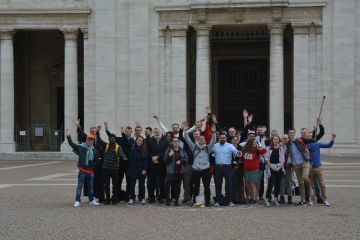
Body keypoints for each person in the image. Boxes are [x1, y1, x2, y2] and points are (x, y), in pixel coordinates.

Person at [153, 114, 194, 204]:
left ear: (178, 128)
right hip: (171, 164)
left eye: (176, 127)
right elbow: (163, 128)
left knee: (182, 183)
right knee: (169, 183)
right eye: (173, 127)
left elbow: (191, 130)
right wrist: (158, 120)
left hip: (181, 162)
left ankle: (182, 198)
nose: (175, 129)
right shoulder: (170, 136)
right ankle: (169, 198)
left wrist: (195, 125)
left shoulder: (183, 134)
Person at [183, 122, 216, 207]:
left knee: (207, 187)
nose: (201, 140)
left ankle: (208, 202)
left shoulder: (208, 148)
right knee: (195, 187)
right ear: (198, 139)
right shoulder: (194, 147)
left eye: (203, 139)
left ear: (205, 140)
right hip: (196, 169)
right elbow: (187, 139)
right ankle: (195, 201)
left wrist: (213, 133)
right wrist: (185, 130)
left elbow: (213, 141)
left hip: (205, 169)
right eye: (200, 138)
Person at [73, 118, 105, 203]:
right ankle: (92, 197)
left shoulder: (98, 140)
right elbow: (81, 133)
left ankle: (98, 196)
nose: (93, 132)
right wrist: (78, 125)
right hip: (89, 165)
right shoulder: (87, 139)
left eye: (94, 131)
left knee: (98, 181)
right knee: (90, 182)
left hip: (98, 164)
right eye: (91, 131)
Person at [66, 128, 99, 207]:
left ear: (93, 141)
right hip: (83, 171)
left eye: (91, 140)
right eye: (89, 139)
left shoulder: (94, 150)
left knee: (90, 187)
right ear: (86, 139)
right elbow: (71, 144)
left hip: (90, 171)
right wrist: (68, 136)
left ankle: (91, 200)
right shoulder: (81, 147)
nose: (90, 141)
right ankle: (77, 201)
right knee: (80, 186)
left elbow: (97, 160)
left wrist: (93, 165)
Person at [96, 126, 127, 205]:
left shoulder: (118, 147)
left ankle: (114, 199)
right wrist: (97, 132)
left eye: (112, 139)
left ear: (115, 140)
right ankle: (107, 199)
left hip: (114, 169)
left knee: (115, 185)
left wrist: (123, 157)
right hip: (106, 168)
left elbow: (121, 153)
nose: (111, 140)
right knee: (106, 185)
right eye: (110, 139)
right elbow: (99, 140)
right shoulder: (106, 145)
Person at [287, 128, 315, 206]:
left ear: (295, 133)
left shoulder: (300, 139)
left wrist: (315, 131)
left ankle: (310, 187)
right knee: (300, 183)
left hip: (304, 162)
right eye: (290, 133)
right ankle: (303, 200)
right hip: (296, 165)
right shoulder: (289, 142)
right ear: (289, 134)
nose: (291, 134)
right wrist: (290, 163)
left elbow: (313, 140)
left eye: (293, 133)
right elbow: (288, 153)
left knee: (305, 177)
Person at [212, 132, 241, 207]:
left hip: (228, 167)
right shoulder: (215, 146)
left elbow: (236, 153)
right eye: (221, 138)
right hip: (217, 167)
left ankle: (230, 201)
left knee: (229, 185)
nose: (222, 139)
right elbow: (210, 154)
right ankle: (218, 201)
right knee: (218, 185)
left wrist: (239, 153)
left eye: (223, 138)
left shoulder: (230, 146)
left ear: (226, 139)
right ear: (219, 139)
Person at [307, 133, 336, 206]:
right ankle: (313, 200)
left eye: (311, 136)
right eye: (309, 136)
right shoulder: (306, 145)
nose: (310, 137)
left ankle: (325, 199)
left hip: (318, 167)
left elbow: (329, 145)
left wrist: (333, 138)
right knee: (312, 185)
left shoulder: (317, 144)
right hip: (310, 168)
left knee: (322, 184)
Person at [240, 131, 267, 205]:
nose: (255, 144)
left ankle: (254, 199)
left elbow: (264, 151)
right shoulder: (245, 149)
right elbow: (242, 158)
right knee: (247, 184)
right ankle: (252, 197)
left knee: (253, 184)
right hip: (246, 169)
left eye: (255, 143)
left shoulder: (256, 150)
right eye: (253, 143)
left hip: (254, 169)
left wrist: (260, 147)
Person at [163, 137, 189, 206]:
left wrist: (181, 161)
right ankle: (168, 200)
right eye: (174, 141)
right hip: (170, 171)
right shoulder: (169, 150)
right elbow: (165, 160)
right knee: (167, 187)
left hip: (179, 172)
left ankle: (176, 201)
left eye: (177, 141)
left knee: (177, 187)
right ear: (172, 142)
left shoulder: (182, 150)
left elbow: (187, 159)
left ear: (179, 142)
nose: (175, 142)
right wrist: (169, 155)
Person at [126, 135, 149, 205]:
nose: (140, 142)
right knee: (132, 185)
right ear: (136, 141)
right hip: (133, 169)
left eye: (141, 141)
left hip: (141, 170)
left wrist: (144, 169)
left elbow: (146, 160)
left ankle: (142, 198)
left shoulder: (144, 149)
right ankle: (131, 198)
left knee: (142, 185)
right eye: (138, 140)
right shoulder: (132, 147)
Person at [264, 135, 285, 206]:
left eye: (277, 139)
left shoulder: (281, 149)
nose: (275, 140)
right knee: (271, 183)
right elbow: (266, 159)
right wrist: (271, 167)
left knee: (278, 184)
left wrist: (279, 167)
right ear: (272, 140)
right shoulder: (268, 148)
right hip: (271, 168)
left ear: (279, 141)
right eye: (274, 139)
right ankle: (267, 199)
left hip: (279, 167)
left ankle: (276, 199)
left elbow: (283, 160)